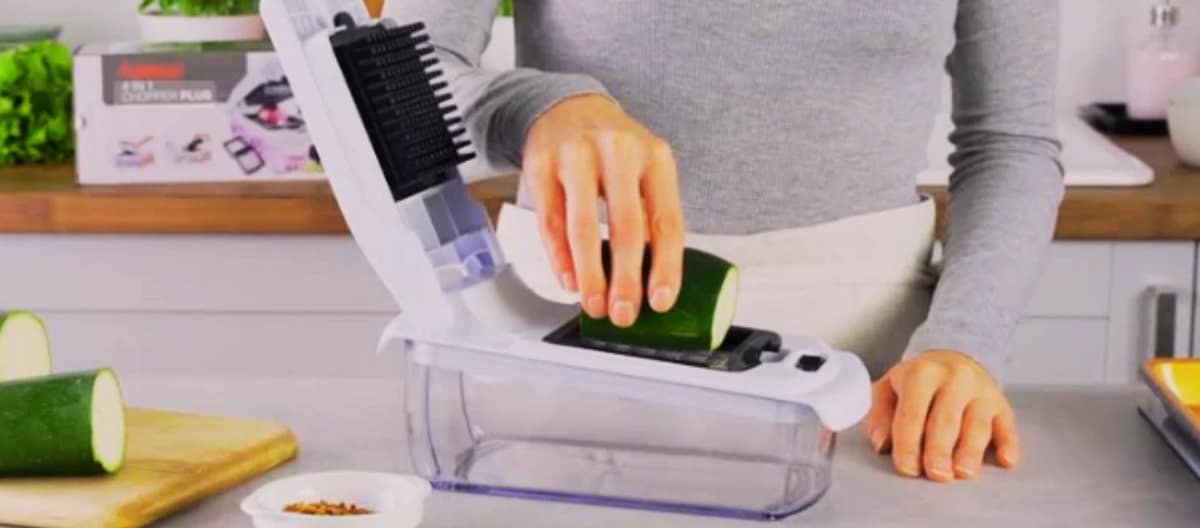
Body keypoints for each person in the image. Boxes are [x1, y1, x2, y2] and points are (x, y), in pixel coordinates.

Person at [389, 0, 1063, 482]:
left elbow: (1010, 144)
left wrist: (965, 340)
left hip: (866, 389)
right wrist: (533, 109)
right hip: (564, 353)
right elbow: (399, 88)